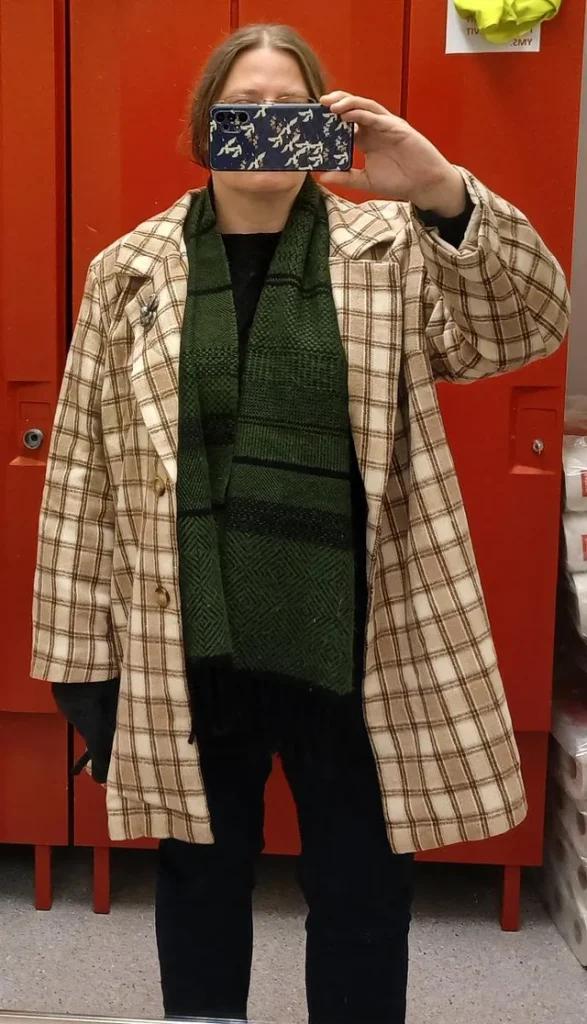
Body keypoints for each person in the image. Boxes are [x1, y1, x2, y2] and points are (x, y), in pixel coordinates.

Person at [31, 21, 568, 1024]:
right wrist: (79, 660)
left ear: (328, 127)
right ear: (207, 125)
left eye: (293, 108)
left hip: (355, 640)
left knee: (363, 889)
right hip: (191, 640)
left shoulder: (389, 249)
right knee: (199, 878)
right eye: (245, 108)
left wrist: (437, 186)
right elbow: (82, 468)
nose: (268, 124)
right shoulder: (128, 271)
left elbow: (522, 327)